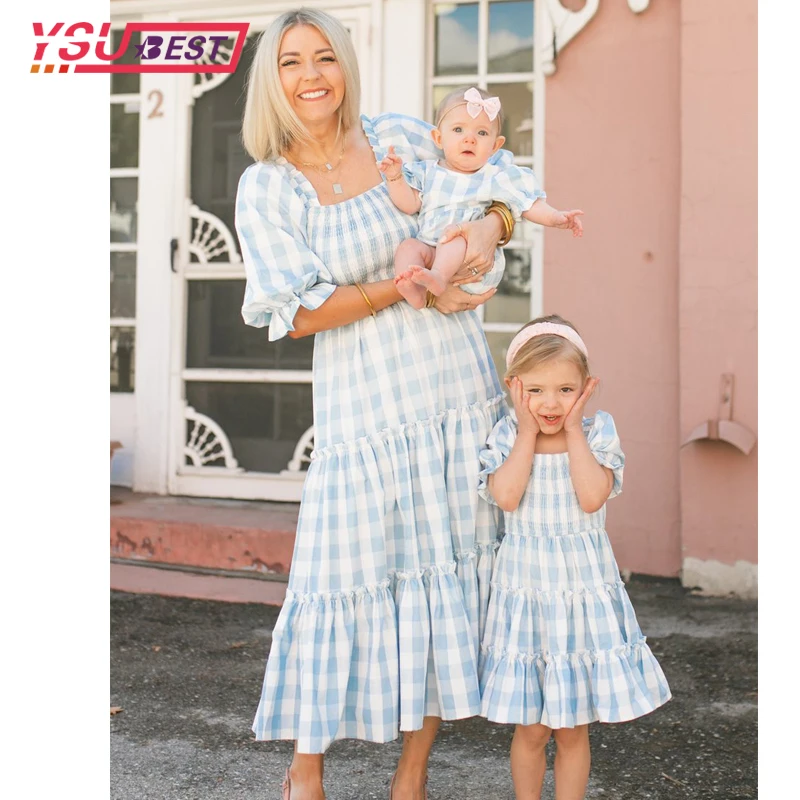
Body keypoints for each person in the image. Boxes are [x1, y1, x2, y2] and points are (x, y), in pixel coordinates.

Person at [235, 9, 518, 800]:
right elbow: (299, 311)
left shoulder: (400, 135)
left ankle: (412, 777)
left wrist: (490, 228)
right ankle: (306, 774)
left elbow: (492, 189)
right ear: (273, 80)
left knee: (440, 582)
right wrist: (397, 287)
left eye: (325, 56)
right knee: (337, 582)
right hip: (364, 417)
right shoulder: (269, 187)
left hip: (455, 398)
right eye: (292, 62)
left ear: (347, 64)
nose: (312, 74)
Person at [477, 315, 671, 800]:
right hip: (528, 597)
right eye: (536, 390)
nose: (550, 403)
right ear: (514, 387)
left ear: (587, 388)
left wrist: (575, 435)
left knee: (572, 730)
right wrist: (525, 433)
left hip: (581, 598)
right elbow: (505, 495)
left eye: (566, 389)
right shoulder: (506, 435)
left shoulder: (598, 432)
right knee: (532, 730)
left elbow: (591, 496)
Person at [377, 87, 583, 310]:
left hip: (469, 255)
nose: (469, 139)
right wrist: (395, 177)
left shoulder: (493, 177)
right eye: (458, 129)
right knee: (408, 247)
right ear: (438, 138)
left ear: (495, 146)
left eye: (482, 133)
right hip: (430, 248)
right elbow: (408, 204)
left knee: (455, 237)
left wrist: (556, 218)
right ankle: (414, 290)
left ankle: (437, 276)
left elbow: (528, 204)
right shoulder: (427, 172)